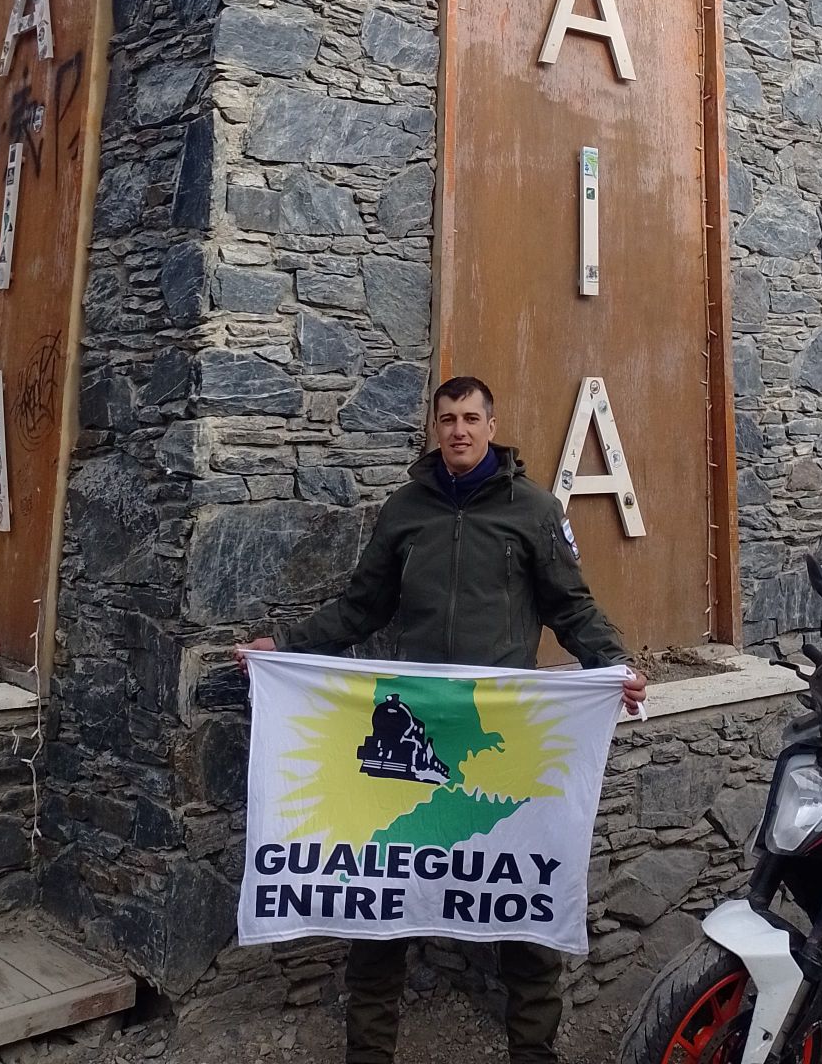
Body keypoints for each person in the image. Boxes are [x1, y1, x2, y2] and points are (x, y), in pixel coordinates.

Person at [241, 373, 646, 1064]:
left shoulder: (534, 510)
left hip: (499, 737)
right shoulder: (405, 510)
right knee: (380, 890)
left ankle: (534, 1050)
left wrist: (612, 665)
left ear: (492, 425)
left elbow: (569, 606)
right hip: (414, 730)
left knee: (520, 892)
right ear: (436, 428)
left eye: (470, 418)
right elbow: (362, 605)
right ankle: (368, 1051)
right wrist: (286, 648)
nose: (458, 430)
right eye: (447, 418)